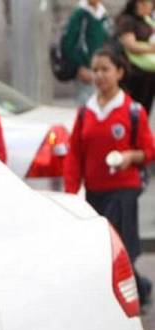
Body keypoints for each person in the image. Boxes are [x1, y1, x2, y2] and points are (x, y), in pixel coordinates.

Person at [64, 45, 155, 306]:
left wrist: (130, 157)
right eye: (95, 70)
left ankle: (124, 296)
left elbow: (149, 150)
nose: (100, 75)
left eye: (105, 69)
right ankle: (140, 287)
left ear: (119, 72)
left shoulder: (132, 111)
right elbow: (75, 156)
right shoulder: (86, 112)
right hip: (95, 191)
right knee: (104, 245)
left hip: (124, 188)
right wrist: (72, 193)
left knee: (117, 243)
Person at [62, 0, 110, 105]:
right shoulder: (80, 14)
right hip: (86, 68)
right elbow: (68, 44)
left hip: (100, 68)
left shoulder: (103, 15)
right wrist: (79, 67)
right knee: (86, 104)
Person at [116, 0, 155, 113]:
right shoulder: (128, 20)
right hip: (133, 74)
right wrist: (151, 48)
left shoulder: (148, 21)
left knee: (144, 111)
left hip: (149, 75)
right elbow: (131, 45)